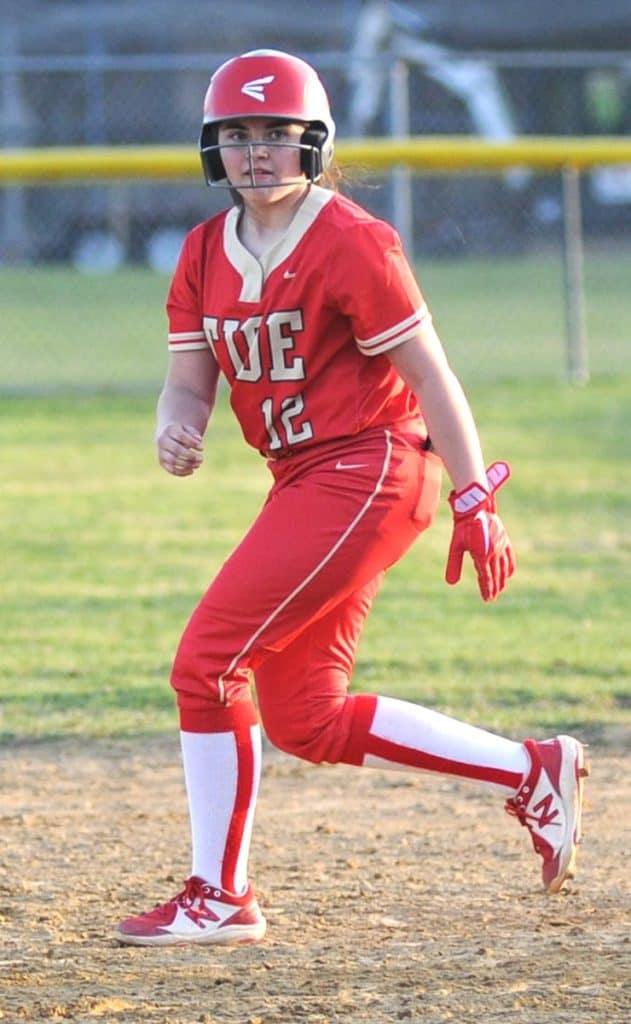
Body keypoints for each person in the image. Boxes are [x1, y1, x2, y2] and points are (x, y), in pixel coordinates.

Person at [115, 50, 588, 946]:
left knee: (207, 663)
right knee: (305, 716)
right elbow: (188, 383)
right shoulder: (201, 252)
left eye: (276, 135)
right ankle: (532, 770)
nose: (257, 152)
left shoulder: (351, 238)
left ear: (313, 143)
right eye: (238, 135)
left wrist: (474, 492)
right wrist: (175, 426)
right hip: (307, 479)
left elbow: (432, 377)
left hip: (370, 467)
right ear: (216, 149)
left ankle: (220, 896)